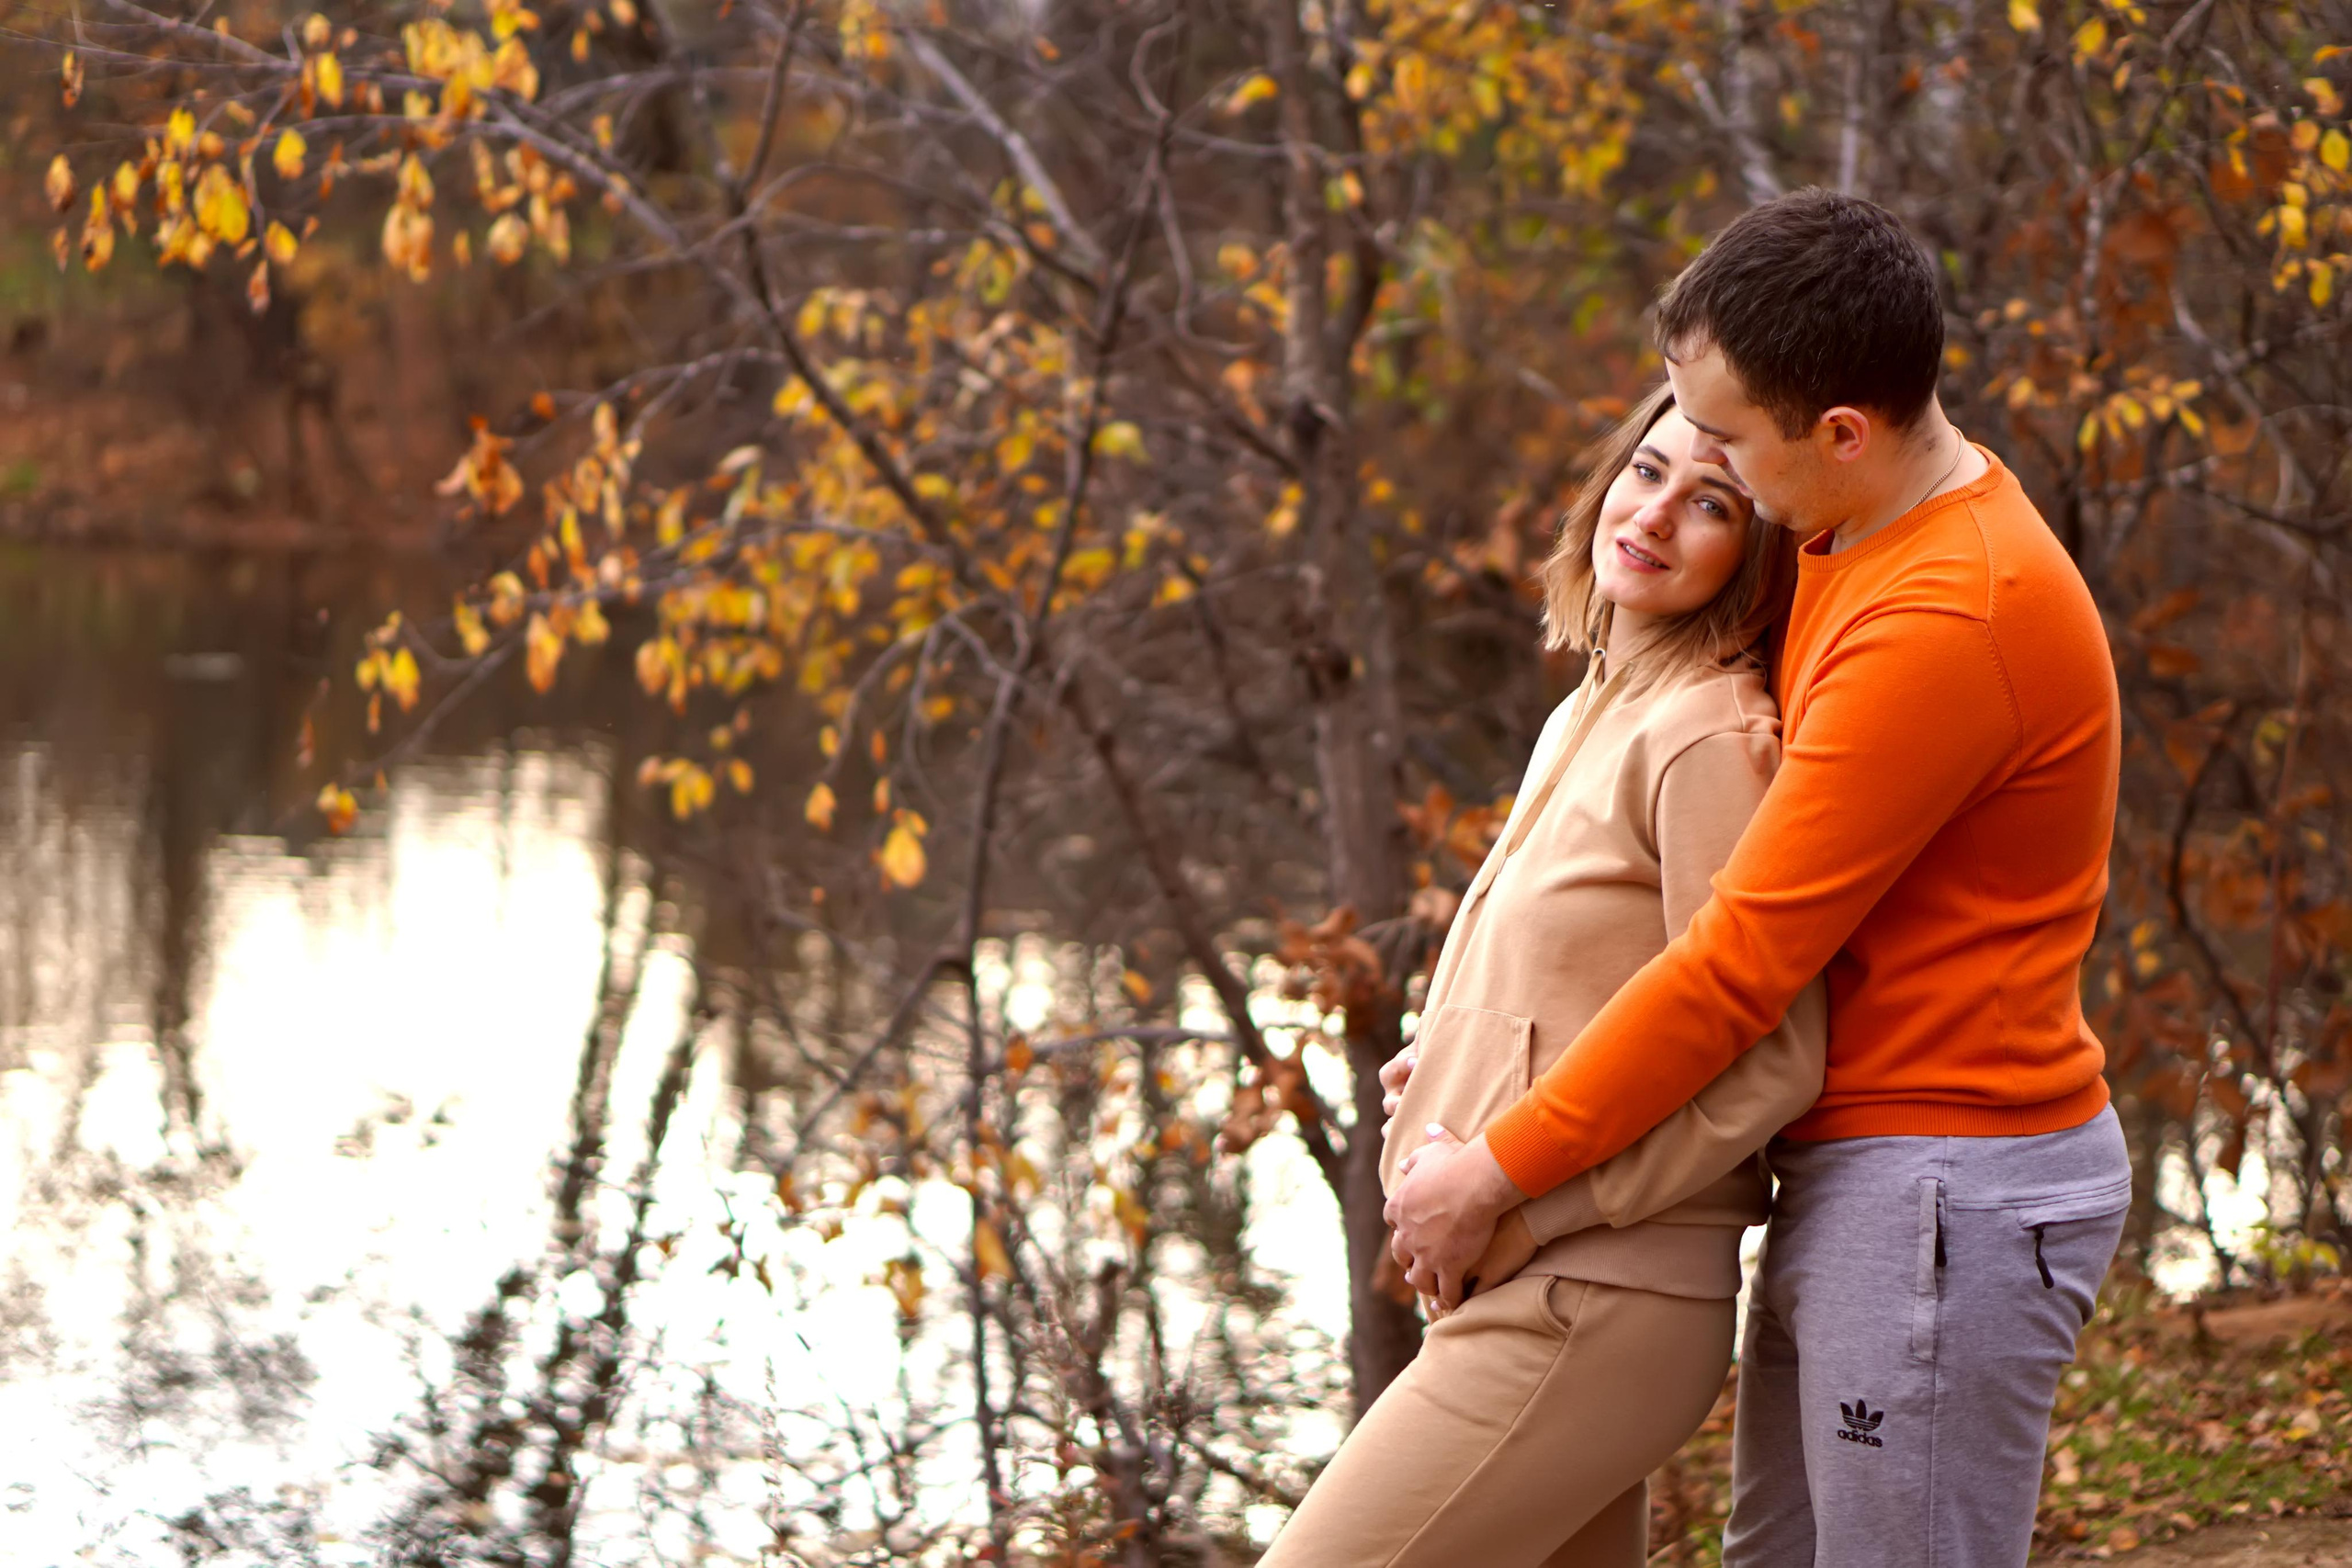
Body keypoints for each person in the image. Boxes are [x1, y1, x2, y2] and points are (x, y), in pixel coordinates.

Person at [1385, 188, 2130, 1568]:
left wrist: (1500, 1161)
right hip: (1860, 1177)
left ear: (1840, 431)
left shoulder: (1945, 616)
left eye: (1723, 440)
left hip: (1944, 1181)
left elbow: (1739, 963)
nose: (1685, 458)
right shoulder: (1860, 530)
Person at [1259, 387, 1827, 1568]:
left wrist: (1512, 1193)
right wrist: (1459, 1055)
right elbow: (1590, 985)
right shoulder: (1589, 711)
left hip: (1587, 1302)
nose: (1657, 514)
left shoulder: (1709, 737)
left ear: (1754, 552)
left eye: (1710, 502)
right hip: (1524, 1291)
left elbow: (1768, 1058)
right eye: (1646, 472)